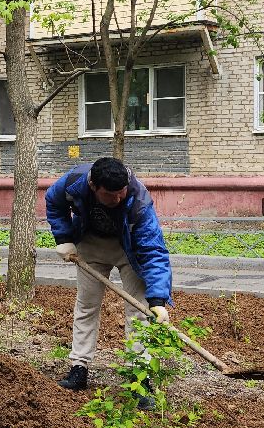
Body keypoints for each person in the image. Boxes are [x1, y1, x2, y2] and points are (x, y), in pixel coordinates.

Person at [44, 156, 173, 392]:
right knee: (87, 306)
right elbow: (53, 201)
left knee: (139, 311)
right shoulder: (74, 183)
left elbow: (153, 249)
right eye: (110, 194)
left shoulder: (138, 199)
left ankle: (138, 376)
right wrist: (63, 238)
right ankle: (78, 367)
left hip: (129, 250)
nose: (117, 199)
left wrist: (158, 299)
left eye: (120, 192)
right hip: (91, 245)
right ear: (93, 186)